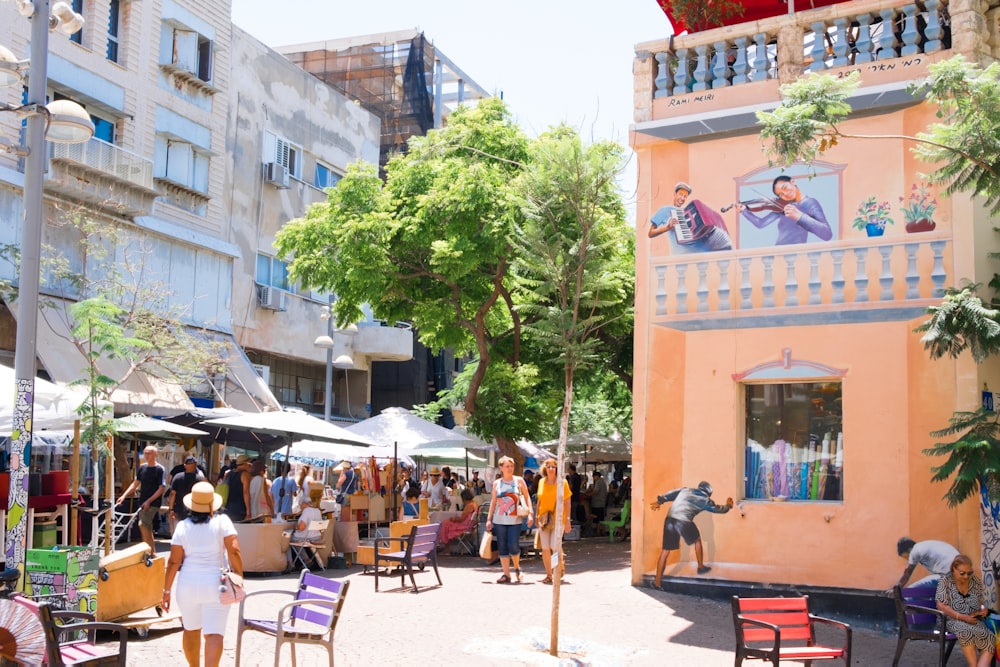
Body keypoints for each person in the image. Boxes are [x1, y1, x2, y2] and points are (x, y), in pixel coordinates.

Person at [162, 481, 243, 667]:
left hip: (187, 585)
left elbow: (174, 561)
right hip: (216, 584)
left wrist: (166, 591)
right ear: (212, 505)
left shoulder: (182, 526)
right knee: (214, 633)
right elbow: (234, 551)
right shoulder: (223, 522)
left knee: (190, 629)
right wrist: (239, 575)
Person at [650, 481, 733, 587]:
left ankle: (657, 582)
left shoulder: (685, 490)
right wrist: (728, 506)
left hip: (669, 519)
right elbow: (718, 509)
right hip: (683, 520)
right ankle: (701, 566)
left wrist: (660, 501)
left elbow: (669, 495)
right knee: (697, 540)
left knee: (665, 551)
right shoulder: (705, 499)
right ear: (708, 493)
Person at [935, 554, 995, 667]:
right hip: (950, 620)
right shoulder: (945, 581)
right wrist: (962, 617)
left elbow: (980, 603)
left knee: (990, 637)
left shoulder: (975, 581)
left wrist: (982, 610)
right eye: (962, 573)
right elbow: (941, 605)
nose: (966, 576)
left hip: (972, 620)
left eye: (969, 573)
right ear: (953, 568)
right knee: (966, 633)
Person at [737, 174, 832, 245]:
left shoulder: (810, 203)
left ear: (793, 182)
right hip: (778, 252)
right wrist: (744, 211)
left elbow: (827, 234)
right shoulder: (783, 208)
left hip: (797, 254)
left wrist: (800, 216)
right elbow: (760, 223)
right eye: (781, 194)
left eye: (785, 188)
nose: (785, 194)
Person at [485, 455, 533, 584]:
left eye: (511, 466)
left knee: (513, 544)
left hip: (514, 520)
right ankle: (506, 574)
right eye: (507, 466)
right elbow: (493, 502)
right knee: (502, 546)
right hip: (499, 520)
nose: (510, 468)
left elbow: (527, 497)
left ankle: (517, 567)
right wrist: (489, 519)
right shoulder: (497, 483)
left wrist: (530, 513)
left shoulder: (519, 481)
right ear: (501, 468)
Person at [648, 181, 733, 252]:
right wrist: (667, 227)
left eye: (685, 196)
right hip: (684, 257)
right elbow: (651, 233)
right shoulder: (665, 210)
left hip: (703, 253)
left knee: (723, 238)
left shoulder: (688, 212)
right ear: (675, 194)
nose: (682, 198)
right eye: (680, 194)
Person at [117, 445, 167, 551]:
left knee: (142, 524)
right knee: (146, 526)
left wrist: (149, 501)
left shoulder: (160, 469)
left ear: (155, 454)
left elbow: (161, 488)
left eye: (149, 453)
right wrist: (124, 496)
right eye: (145, 453)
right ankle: (151, 551)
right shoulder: (142, 468)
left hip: (153, 502)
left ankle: (148, 550)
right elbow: (135, 484)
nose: (147, 455)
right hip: (142, 501)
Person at [535, 458, 572, 585]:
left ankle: (557, 570)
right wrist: (536, 517)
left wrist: (567, 520)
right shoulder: (541, 482)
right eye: (548, 466)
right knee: (545, 548)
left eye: (553, 466)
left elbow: (567, 501)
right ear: (545, 468)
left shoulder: (563, 483)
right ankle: (548, 574)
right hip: (544, 519)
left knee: (554, 547)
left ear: (557, 469)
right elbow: (539, 500)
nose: (551, 469)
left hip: (558, 519)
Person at [167, 455, 206, 533]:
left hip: (179, 508)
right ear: (195, 466)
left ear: (185, 465)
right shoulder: (200, 479)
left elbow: (172, 494)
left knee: (179, 531)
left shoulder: (177, 477)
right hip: (195, 509)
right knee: (192, 531)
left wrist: (171, 509)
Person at [285, 495, 323, 572]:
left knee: (287, 539)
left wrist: (296, 527)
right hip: (317, 538)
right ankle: (306, 559)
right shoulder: (318, 511)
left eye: (300, 505)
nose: (300, 507)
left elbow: (302, 527)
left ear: (303, 503)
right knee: (296, 539)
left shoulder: (306, 511)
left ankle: (291, 563)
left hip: (305, 538)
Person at [221, 454, 252, 522]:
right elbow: (246, 492)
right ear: (245, 463)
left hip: (227, 507)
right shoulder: (244, 474)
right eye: (249, 463)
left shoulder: (228, 474)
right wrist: (248, 511)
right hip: (240, 508)